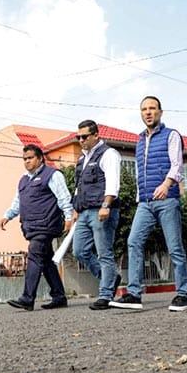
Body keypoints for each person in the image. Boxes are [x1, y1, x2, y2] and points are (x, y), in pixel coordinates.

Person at [110, 96, 187, 311]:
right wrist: (140, 197)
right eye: (144, 109)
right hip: (145, 203)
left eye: (152, 108)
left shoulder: (171, 135)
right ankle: (134, 294)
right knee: (133, 242)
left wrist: (166, 184)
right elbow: (140, 172)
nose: (148, 112)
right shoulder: (139, 141)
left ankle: (183, 295)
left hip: (167, 199)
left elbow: (177, 165)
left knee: (174, 247)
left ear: (160, 112)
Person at [0, 144, 74, 311]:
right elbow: (18, 202)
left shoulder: (52, 175)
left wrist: (69, 217)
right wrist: (7, 215)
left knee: (34, 255)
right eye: (24, 159)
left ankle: (27, 298)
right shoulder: (23, 180)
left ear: (40, 159)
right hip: (31, 226)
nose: (27, 161)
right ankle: (59, 296)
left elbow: (64, 198)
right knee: (46, 260)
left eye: (30, 158)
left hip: (46, 225)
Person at [70, 120, 122, 310]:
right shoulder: (82, 159)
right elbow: (79, 187)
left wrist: (106, 205)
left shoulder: (108, 154)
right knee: (79, 251)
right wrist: (75, 210)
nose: (81, 140)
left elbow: (112, 182)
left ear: (95, 135)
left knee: (104, 253)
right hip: (84, 212)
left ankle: (106, 295)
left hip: (102, 209)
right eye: (78, 137)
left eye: (84, 136)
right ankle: (111, 278)